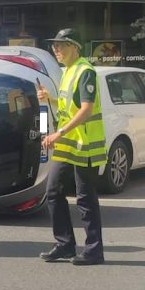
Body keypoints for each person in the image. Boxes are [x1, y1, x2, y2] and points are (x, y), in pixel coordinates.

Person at [37, 28, 107, 266]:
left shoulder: (85, 71)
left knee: (85, 199)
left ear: (75, 47)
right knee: (53, 192)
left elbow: (86, 109)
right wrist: (50, 98)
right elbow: (70, 105)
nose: (56, 50)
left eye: (61, 45)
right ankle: (65, 244)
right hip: (67, 144)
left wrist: (58, 132)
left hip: (84, 144)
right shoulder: (68, 71)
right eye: (54, 46)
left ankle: (94, 251)